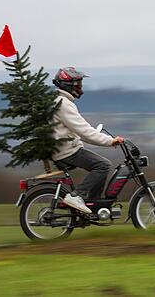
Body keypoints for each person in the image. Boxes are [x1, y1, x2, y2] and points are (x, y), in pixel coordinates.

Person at [49, 67, 124, 214]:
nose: (80, 87)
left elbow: (80, 131)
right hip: (67, 151)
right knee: (103, 165)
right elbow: (84, 131)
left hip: (64, 148)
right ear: (69, 85)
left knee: (100, 165)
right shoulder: (64, 104)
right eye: (78, 83)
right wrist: (110, 141)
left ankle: (93, 204)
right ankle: (77, 196)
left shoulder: (59, 101)